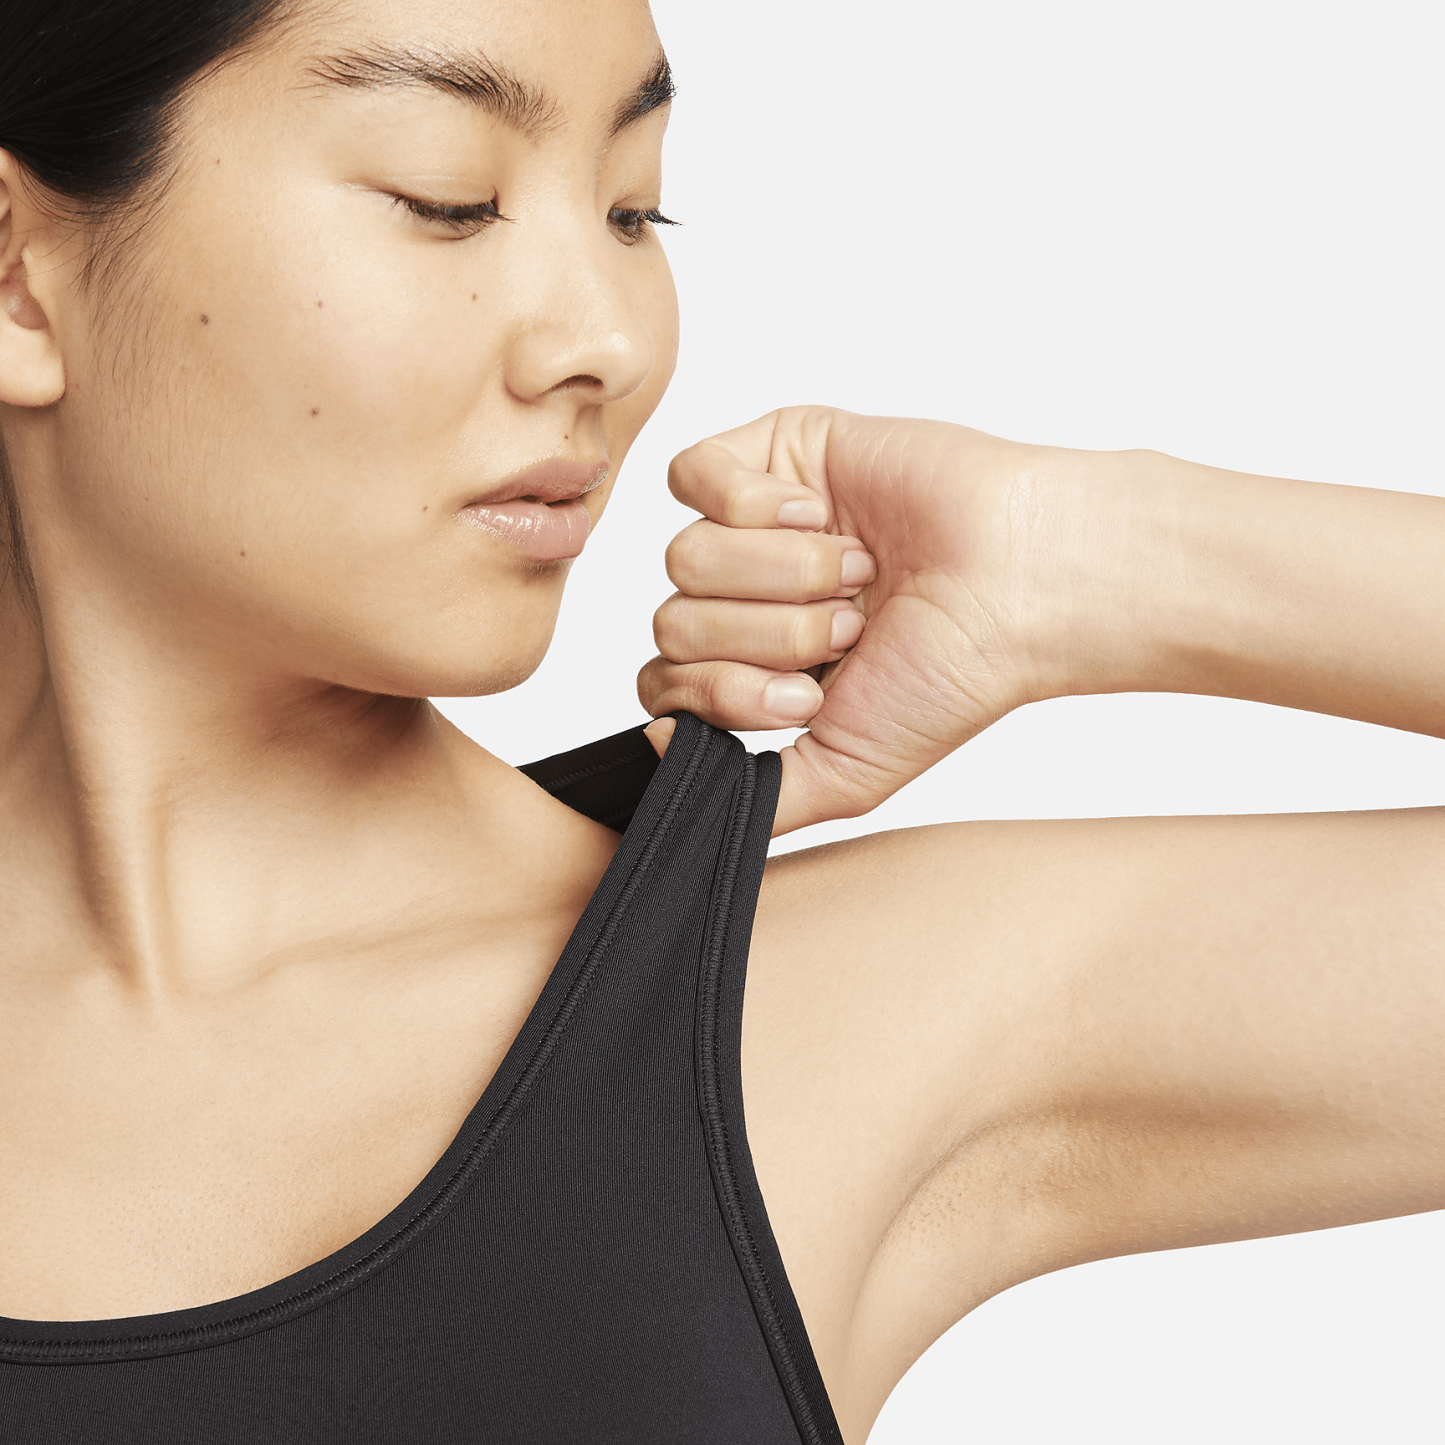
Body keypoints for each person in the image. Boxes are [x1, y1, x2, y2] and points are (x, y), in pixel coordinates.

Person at [1, 0, 1440, 1441]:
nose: (609, 339)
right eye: (451, 200)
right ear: (17, 275)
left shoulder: (810, 1019)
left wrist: (1088, 560)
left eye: (635, 211)